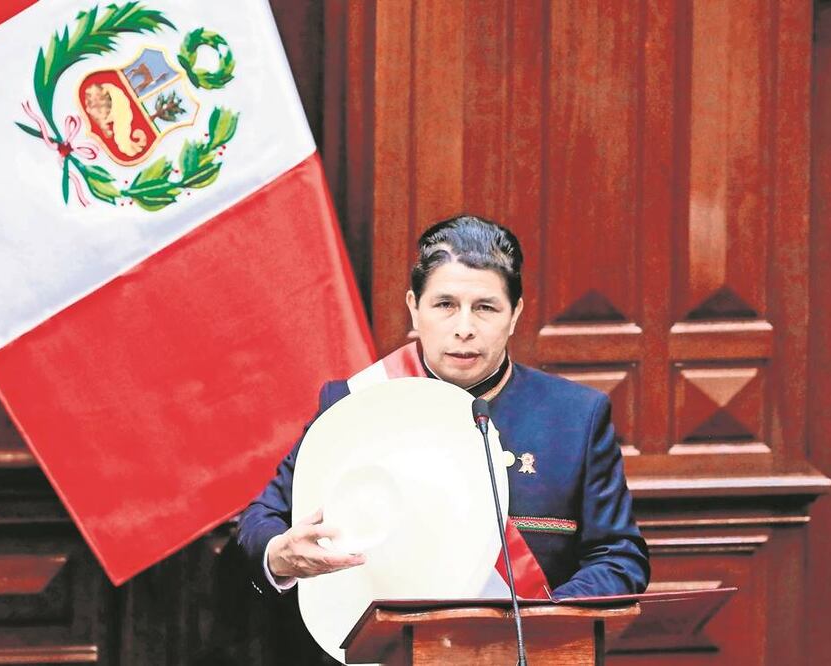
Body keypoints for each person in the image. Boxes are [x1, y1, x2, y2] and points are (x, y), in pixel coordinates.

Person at [237, 214, 649, 609]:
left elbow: (619, 559)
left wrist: (538, 623)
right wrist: (278, 555)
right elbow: (261, 521)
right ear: (415, 308)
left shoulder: (575, 417)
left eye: (486, 307)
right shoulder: (355, 403)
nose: (464, 327)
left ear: (515, 315)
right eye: (445, 305)